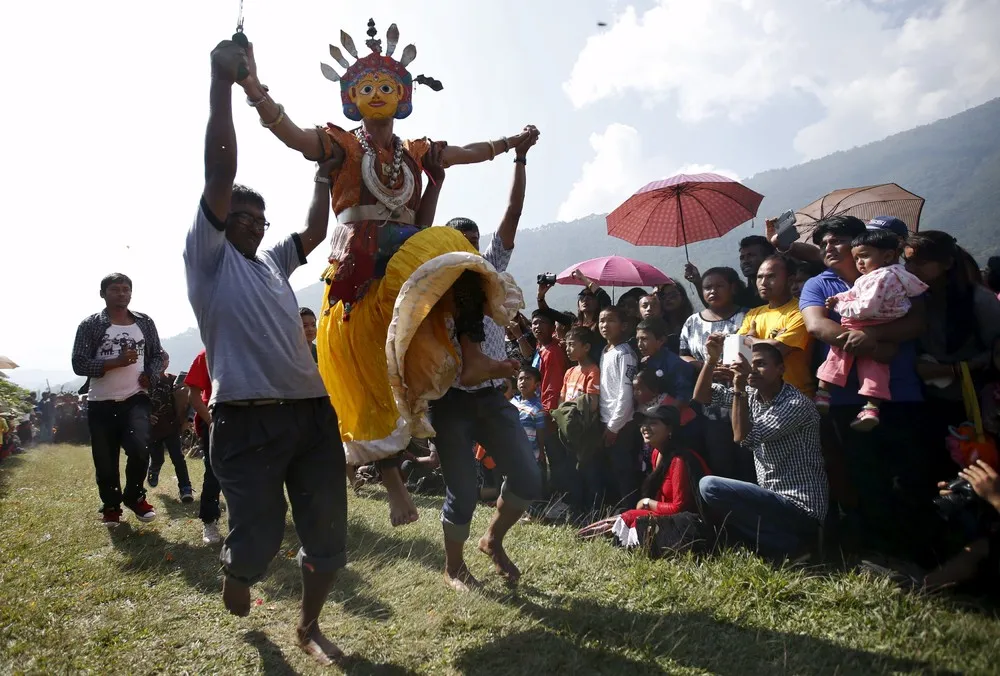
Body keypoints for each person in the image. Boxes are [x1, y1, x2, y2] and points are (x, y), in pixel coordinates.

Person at [241, 20, 535, 528]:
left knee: (458, 256)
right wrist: (253, 88)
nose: (376, 94)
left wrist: (511, 144)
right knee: (371, 375)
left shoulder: (416, 151)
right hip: (359, 265)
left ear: (403, 96)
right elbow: (290, 135)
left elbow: (466, 154)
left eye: (386, 86)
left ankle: (471, 356)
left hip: (408, 254)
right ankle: (395, 486)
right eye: (366, 88)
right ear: (351, 98)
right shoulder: (340, 145)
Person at [184, 39, 346, 664]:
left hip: (311, 413)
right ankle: (239, 567)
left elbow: (313, 231)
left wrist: (322, 174)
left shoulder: (273, 264)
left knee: (326, 532)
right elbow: (219, 175)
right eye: (242, 216)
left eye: (260, 218)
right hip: (246, 420)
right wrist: (222, 83)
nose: (253, 223)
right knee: (260, 536)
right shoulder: (208, 260)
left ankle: (308, 627)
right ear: (221, 221)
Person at [427, 133, 542, 592]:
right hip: (450, 402)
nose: (471, 248)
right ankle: (454, 567)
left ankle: (493, 540)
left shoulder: (491, 269)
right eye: (462, 242)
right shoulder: (431, 289)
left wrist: (519, 158)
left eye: (475, 242)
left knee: (528, 478)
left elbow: (512, 214)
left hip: (492, 397)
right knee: (462, 491)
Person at [799, 215, 929, 560]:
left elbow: (917, 321)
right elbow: (817, 325)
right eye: (822, 243)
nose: (828, 247)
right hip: (845, 398)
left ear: (860, 241)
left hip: (901, 391)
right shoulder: (818, 284)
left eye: (836, 240)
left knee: (908, 475)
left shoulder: (894, 275)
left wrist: (873, 335)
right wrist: (871, 345)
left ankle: (919, 555)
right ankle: (880, 554)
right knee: (865, 477)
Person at [694, 335, 828, 561]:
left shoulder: (795, 404)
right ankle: (780, 548)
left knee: (710, 486)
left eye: (761, 364)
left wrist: (738, 386)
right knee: (712, 494)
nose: (753, 370)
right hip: (772, 501)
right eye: (750, 363)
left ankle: (793, 548)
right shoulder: (753, 397)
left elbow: (744, 438)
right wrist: (711, 360)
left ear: (781, 369)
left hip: (801, 508)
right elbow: (702, 396)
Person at [905, 231, 1000, 476]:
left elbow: (996, 350)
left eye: (920, 262)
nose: (911, 269)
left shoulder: (979, 300)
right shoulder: (914, 300)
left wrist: (953, 369)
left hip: (975, 402)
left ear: (947, 263)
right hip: (930, 400)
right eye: (908, 262)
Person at [71, 272, 163, 526]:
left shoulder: (145, 322)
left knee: (140, 450)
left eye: (126, 289)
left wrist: (151, 375)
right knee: (105, 458)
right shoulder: (90, 325)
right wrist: (115, 362)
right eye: (115, 289)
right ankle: (111, 506)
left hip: (136, 398)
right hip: (101, 400)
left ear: (131, 293)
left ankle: (135, 497)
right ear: (103, 294)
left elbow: (157, 355)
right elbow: (79, 363)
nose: (121, 294)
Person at [814, 229, 928, 430]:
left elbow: (866, 307)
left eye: (864, 256)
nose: (859, 262)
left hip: (863, 322)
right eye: (856, 258)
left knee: (838, 355)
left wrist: (839, 305)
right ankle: (871, 408)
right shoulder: (898, 274)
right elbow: (917, 289)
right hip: (885, 329)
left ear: (887, 256)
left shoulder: (881, 277)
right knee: (876, 368)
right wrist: (841, 297)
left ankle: (823, 393)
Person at [739, 255, 814, 396]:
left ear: (790, 280)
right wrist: (770, 342)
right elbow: (738, 349)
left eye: (771, 277)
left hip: (795, 396)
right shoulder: (753, 313)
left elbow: (778, 349)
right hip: (758, 397)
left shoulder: (802, 310)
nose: (763, 283)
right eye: (760, 277)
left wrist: (750, 338)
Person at [598, 306, 641, 508]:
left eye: (610, 320)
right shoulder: (606, 351)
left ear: (623, 326)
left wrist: (614, 426)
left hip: (622, 423)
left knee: (624, 471)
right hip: (605, 419)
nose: (605, 325)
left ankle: (629, 511)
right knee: (611, 470)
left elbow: (626, 393)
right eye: (602, 321)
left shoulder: (625, 354)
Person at [184, 349, 223, 545]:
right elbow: (193, 394)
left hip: (247, 420)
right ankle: (209, 520)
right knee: (214, 473)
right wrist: (210, 421)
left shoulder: (250, 348)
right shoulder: (207, 354)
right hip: (214, 418)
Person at [147, 351, 194, 502]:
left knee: (178, 458)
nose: (162, 363)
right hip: (152, 429)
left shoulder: (174, 380)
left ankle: (185, 488)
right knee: (157, 458)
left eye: (164, 360)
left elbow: (190, 399)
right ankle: (154, 469)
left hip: (171, 427)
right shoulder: (146, 381)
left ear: (168, 362)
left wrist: (188, 419)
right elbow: (137, 401)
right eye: (159, 360)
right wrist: (146, 415)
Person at [685, 235, 774, 309]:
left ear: (768, 257)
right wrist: (697, 282)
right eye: (742, 258)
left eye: (751, 256)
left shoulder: (776, 290)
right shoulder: (746, 296)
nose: (745, 261)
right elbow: (718, 309)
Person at [530, 308, 569, 417]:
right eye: (535, 323)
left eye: (542, 323)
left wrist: (548, 412)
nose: (537, 326)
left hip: (546, 411)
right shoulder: (540, 347)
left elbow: (553, 387)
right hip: (537, 407)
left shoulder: (553, 352)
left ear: (553, 328)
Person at [512, 366, 547, 468]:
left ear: (537, 385)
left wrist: (541, 451)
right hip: (512, 452)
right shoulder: (513, 401)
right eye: (520, 378)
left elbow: (540, 432)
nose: (523, 382)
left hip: (529, 455)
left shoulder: (538, 408)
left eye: (528, 378)